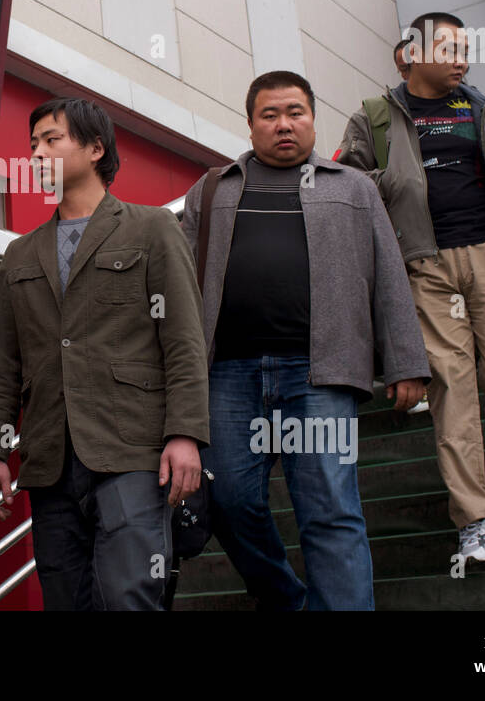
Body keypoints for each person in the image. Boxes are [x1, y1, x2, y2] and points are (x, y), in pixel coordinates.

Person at [180, 71, 428, 610]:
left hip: (321, 373)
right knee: (227, 499)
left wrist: (406, 361)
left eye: (295, 112)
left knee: (329, 508)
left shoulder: (354, 186)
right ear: (250, 126)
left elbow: (389, 274)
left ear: (313, 120)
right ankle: (288, 601)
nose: (284, 124)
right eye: (270, 115)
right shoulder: (212, 189)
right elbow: (177, 285)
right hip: (227, 374)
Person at [337, 11, 485, 566]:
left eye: (466, 48)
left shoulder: (483, 110)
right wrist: (393, 180)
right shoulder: (374, 116)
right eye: (449, 49)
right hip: (423, 266)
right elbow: (346, 184)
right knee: (453, 389)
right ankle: (474, 518)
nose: (462, 58)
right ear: (413, 53)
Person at [0, 97, 209, 611]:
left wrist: (185, 434)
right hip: (49, 460)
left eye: (51, 140)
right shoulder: (20, 255)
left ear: (96, 149)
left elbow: (184, 341)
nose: (36, 153)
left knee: (130, 596)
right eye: (32, 144)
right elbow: (0, 366)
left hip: (132, 451)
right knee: (66, 599)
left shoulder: (151, 229)